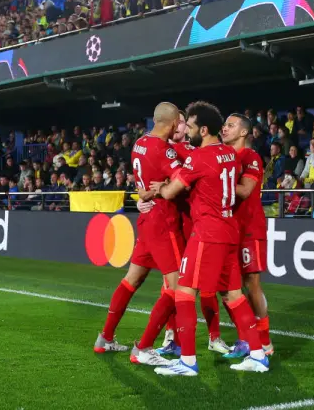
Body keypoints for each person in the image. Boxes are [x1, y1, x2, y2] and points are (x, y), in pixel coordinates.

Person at [150, 101, 268, 376]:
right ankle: (258, 355)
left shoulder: (198, 157)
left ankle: (187, 361)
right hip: (229, 230)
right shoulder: (228, 153)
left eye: (189, 126)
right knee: (234, 294)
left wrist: (161, 187)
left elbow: (170, 193)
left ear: (203, 130)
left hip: (207, 232)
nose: (186, 130)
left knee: (184, 291)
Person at [94, 102, 183, 368]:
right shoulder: (164, 150)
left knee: (132, 279)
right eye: (179, 121)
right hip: (164, 222)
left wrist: (150, 191)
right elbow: (182, 182)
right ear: (173, 123)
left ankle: (105, 337)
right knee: (178, 286)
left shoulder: (140, 143)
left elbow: (143, 183)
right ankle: (143, 347)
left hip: (147, 220)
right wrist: (165, 186)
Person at [221, 114, 273, 359]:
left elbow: (246, 190)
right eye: (225, 125)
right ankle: (245, 337)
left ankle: (263, 340)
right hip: (228, 229)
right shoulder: (224, 157)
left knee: (251, 284)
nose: (225, 128)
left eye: (231, 125)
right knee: (228, 287)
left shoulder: (250, 157)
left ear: (243, 133)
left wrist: (213, 183)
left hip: (249, 228)